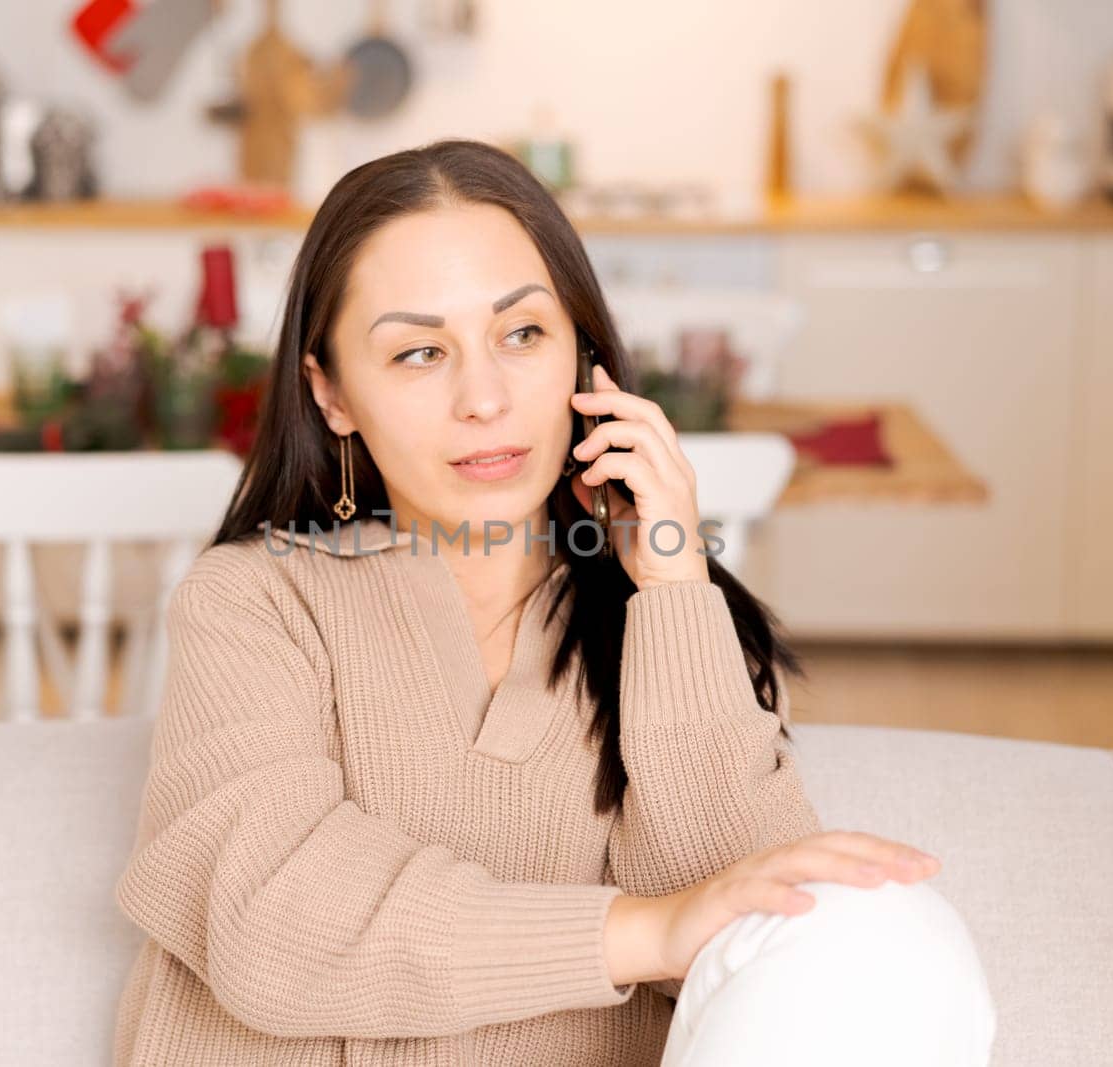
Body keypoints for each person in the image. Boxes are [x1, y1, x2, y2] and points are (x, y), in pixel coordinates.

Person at [112, 138, 997, 1065]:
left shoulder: (671, 619)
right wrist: (642, 931)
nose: (485, 397)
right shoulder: (253, 602)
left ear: (584, 352)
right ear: (331, 393)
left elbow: (753, 939)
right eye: (419, 352)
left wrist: (673, 583)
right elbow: (277, 919)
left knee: (897, 928)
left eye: (523, 334)